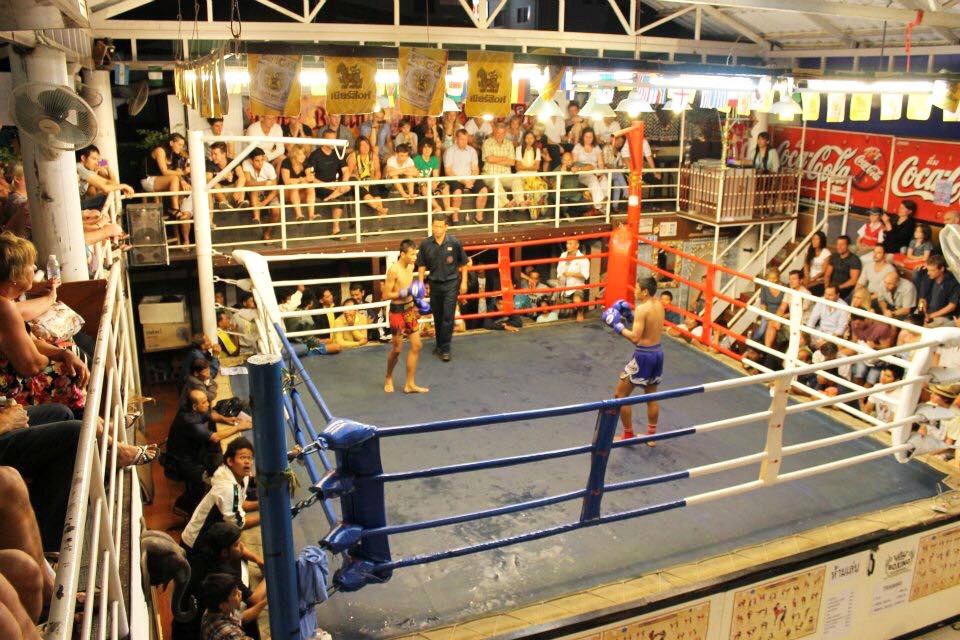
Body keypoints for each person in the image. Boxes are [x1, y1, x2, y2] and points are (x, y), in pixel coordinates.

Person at [0, 235, 88, 413]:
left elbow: (31, 341)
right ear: (15, 276)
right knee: (70, 372)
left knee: (72, 355)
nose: (34, 268)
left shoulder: (6, 303)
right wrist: (60, 359)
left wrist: (63, 354)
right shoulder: (4, 307)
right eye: (29, 264)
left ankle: (105, 433)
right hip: (9, 396)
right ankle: (101, 431)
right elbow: (32, 365)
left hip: (13, 385)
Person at [172, 522, 266, 640]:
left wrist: (258, 559)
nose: (242, 546)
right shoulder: (223, 577)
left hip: (184, 624)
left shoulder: (206, 552)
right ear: (224, 552)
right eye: (237, 544)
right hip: (192, 632)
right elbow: (255, 599)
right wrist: (270, 573)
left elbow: (239, 618)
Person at [165, 389, 251, 516]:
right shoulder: (189, 420)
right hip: (182, 461)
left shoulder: (194, 409)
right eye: (204, 402)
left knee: (215, 459)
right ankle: (183, 507)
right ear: (195, 406)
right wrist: (238, 427)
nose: (208, 404)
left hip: (193, 452)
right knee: (203, 481)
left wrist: (226, 419)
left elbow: (210, 415)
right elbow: (215, 437)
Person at [607, 277, 665, 444]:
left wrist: (616, 325)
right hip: (657, 353)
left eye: (637, 288)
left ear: (645, 291)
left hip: (643, 355)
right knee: (651, 396)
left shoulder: (642, 308)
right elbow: (648, 327)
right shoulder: (659, 304)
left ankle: (628, 434)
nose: (634, 290)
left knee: (620, 395)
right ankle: (652, 436)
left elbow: (635, 337)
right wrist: (629, 317)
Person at [181, 437, 260, 552]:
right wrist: (265, 517)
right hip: (195, 544)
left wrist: (263, 505)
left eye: (250, 458)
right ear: (230, 461)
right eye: (243, 458)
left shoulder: (242, 476)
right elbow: (238, 524)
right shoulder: (227, 488)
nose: (247, 462)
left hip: (211, 537)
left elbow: (239, 504)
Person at [416, 214, 468, 362]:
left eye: (440, 226)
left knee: (448, 317)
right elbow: (421, 265)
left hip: (451, 284)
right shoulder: (426, 244)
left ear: (446, 227)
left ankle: (445, 349)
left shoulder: (455, 242)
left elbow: (464, 263)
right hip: (434, 284)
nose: (437, 229)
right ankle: (439, 345)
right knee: (438, 316)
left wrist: (463, 283)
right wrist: (420, 284)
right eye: (435, 226)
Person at [383, 239, 428, 394]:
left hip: (409, 310)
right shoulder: (393, 270)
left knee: (417, 345)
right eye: (412, 254)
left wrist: (417, 300)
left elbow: (410, 289)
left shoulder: (411, 266)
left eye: (416, 254)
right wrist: (403, 292)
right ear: (403, 254)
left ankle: (410, 384)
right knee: (397, 349)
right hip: (396, 311)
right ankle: (388, 376)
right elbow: (385, 295)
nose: (415, 257)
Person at [306, 129, 352, 237]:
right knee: (340, 198)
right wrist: (328, 185)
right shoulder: (315, 155)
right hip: (319, 187)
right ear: (324, 140)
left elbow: (346, 171)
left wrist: (343, 183)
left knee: (348, 186)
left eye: (334, 139)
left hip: (335, 187)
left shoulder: (338, 153)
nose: (334, 142)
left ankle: (331, 197)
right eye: (330, 139)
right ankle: (336, 230)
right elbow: (310, 177)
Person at [443, 129, 488, 224]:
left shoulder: (472, 151)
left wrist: (471, 180)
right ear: (456, 139)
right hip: (455, 178)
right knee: (457, 192)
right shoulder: (450, 151)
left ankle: (478, 217)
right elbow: (448, 171)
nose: (464, 142)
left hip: (470, 178)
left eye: (466, 139)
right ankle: (455, 218)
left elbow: (475, 169)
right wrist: (463, 181)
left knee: (484, 190)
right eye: (462, 139)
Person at [199, 573, 260, 640]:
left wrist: (265, 601)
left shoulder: (215, 610)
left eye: (238, 589)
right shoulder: (229, 634)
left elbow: (240, 617)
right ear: (223, 605)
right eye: (235, 594)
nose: (240, 593)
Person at [76, 145, 133, 210]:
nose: (96, 163)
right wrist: (124, 186)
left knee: (107, 193)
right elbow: (104, 188)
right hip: (77, 205)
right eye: (94, 159)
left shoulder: (86, 170)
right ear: (83, 158)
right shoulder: (80, 168)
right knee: (104, 195)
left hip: (79, 204)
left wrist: (108, 168)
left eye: (97, 160)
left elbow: (113, 183)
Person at [241, 148, 279, 238]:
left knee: (276, 211)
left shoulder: (269, 167)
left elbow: (275, 190)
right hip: (254, 192)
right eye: (257, 160)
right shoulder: (246, 163)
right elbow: (247, 183)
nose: (260, 162)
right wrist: (264, 183)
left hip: (268, 192)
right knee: (254, 189)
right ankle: (256, 219)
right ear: (251, 160)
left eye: (262, 159)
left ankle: (267, 233)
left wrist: (263, 203)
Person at [913, 254, 959, 327]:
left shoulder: (953, 282)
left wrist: (931, 315)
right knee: (910, 322)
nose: (928, 272)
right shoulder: (928, 277)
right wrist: (922, 309)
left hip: (943, 316)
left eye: (932, 270)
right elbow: (922, 298)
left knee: (926, 328)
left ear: (942, 269)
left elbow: (951, 306)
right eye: (928, 270)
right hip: (927, 312)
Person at [571, 127, 607, 214]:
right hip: (582, 171)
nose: (588, 139)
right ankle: (599, 205)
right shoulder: (578, 147)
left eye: (590, 137)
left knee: (605, 181)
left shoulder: (596, 147)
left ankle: (605, 207)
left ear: (593, 137)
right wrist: (585, 168)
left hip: (595, 171)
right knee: (593, 180)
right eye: (586, 137)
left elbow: (600, 163)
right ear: (583, 137)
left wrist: (601, 174)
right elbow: (575, 163)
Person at [481, 122, 516, 210]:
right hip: (490, 174)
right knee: (496, 183)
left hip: (505, 174)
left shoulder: (509, 144)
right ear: (494, 132)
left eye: (502, 133)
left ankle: (520, 202)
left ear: (505, 133)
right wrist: (504, 158)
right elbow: (490, 159)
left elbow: (512, 162)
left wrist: (495, 159)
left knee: (517, 180)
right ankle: (506, 203)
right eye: (498, 133)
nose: (500, 135)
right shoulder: (487, 143)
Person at [206, 142, 249, 212]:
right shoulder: (210, 164)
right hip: (220, 191)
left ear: (224, 154)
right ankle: (225, 203)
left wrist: (237, 191)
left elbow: (242, 177)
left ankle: (240, 202)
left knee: (241, 181)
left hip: (234, 190)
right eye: (212, 154)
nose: (213, 157)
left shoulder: (232, 162)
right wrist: (221, 175)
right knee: (214, 183)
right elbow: (208, 179)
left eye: (215, 154)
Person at [513, 130, 546, 219]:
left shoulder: (537, 150)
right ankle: (535, 207)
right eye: (527, 138)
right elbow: (518, 167)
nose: (529, 140)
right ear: (524, 139)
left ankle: (539, 205)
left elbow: (536, 167)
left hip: (534, 175)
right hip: (521, 175)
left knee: (541, 184)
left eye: (531, 138)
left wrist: (525, 167)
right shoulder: (519, 149)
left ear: (534, 139)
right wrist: (530, 167)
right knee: (532, 185)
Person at [353, 136, 389, 217]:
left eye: (367, 145)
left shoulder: (373, 156)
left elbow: (378, 172)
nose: (366, 147)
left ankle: (380, 211)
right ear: (358, 147)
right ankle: (380, 209)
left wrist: (373, 180)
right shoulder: (353, 156)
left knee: (375, 188)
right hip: (358, 183)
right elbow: (349, 174)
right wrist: (360, 181)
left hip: (370, 180)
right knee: (361, 188)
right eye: (363, 145)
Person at [280, 144, 316, 221]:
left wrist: (307, 177)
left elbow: (310, 178)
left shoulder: (306, 162)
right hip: (284, 192)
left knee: (311, 187)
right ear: (294, 154)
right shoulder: (286, 162)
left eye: (303, 154)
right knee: (294, 187)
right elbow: (287, 181)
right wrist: (301, 179)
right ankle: (299, 215)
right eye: (299, 154)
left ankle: (311, 215)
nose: (302, 156)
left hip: (299, 193)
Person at [557, 238, 590, 321]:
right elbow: (559, 271)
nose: (568, 245)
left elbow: (585, 275)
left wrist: (571, 274)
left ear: (577, 245)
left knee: (577, 300)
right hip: (564, 287)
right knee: (563, 316)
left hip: (577, 286)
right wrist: (559, 278)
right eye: (567, 243)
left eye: (570, 243)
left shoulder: (583, 259)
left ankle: (580, 312)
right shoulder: (563, 255)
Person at [414, 140, 450, 214]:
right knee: (424, 189)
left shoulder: (434, 159)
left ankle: (447, 207)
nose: (427, 150)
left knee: (445, 186)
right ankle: (437, 207)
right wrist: (428, 182)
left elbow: (435, 175)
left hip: (430, 180)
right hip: (420, 182)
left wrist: (434, 182)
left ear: (432, 149)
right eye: (425, 147)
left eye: (429, 148)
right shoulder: (417, 159)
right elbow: (416, 175)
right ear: (421, 149)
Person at [824, 234, 861, 301]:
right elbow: (827, 275)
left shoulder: (854, 260)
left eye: (842, 245)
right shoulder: (834, 256)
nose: (839, 247)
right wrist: (827, 287)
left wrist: (837, 288)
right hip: (831, 287)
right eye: (838, 244)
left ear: (848, 246)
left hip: (845, 289)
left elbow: (853, 281)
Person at [804, 231, 831, 297]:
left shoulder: (826, 253)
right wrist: (807, 277)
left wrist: (813, 278)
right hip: (809, 277)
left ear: (821, 241)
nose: (814, 241)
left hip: (819, 279)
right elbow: (806, 265)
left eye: (817, 239)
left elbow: (823, 271)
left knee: (810, 289)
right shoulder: (809, 249)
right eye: (813, 239)